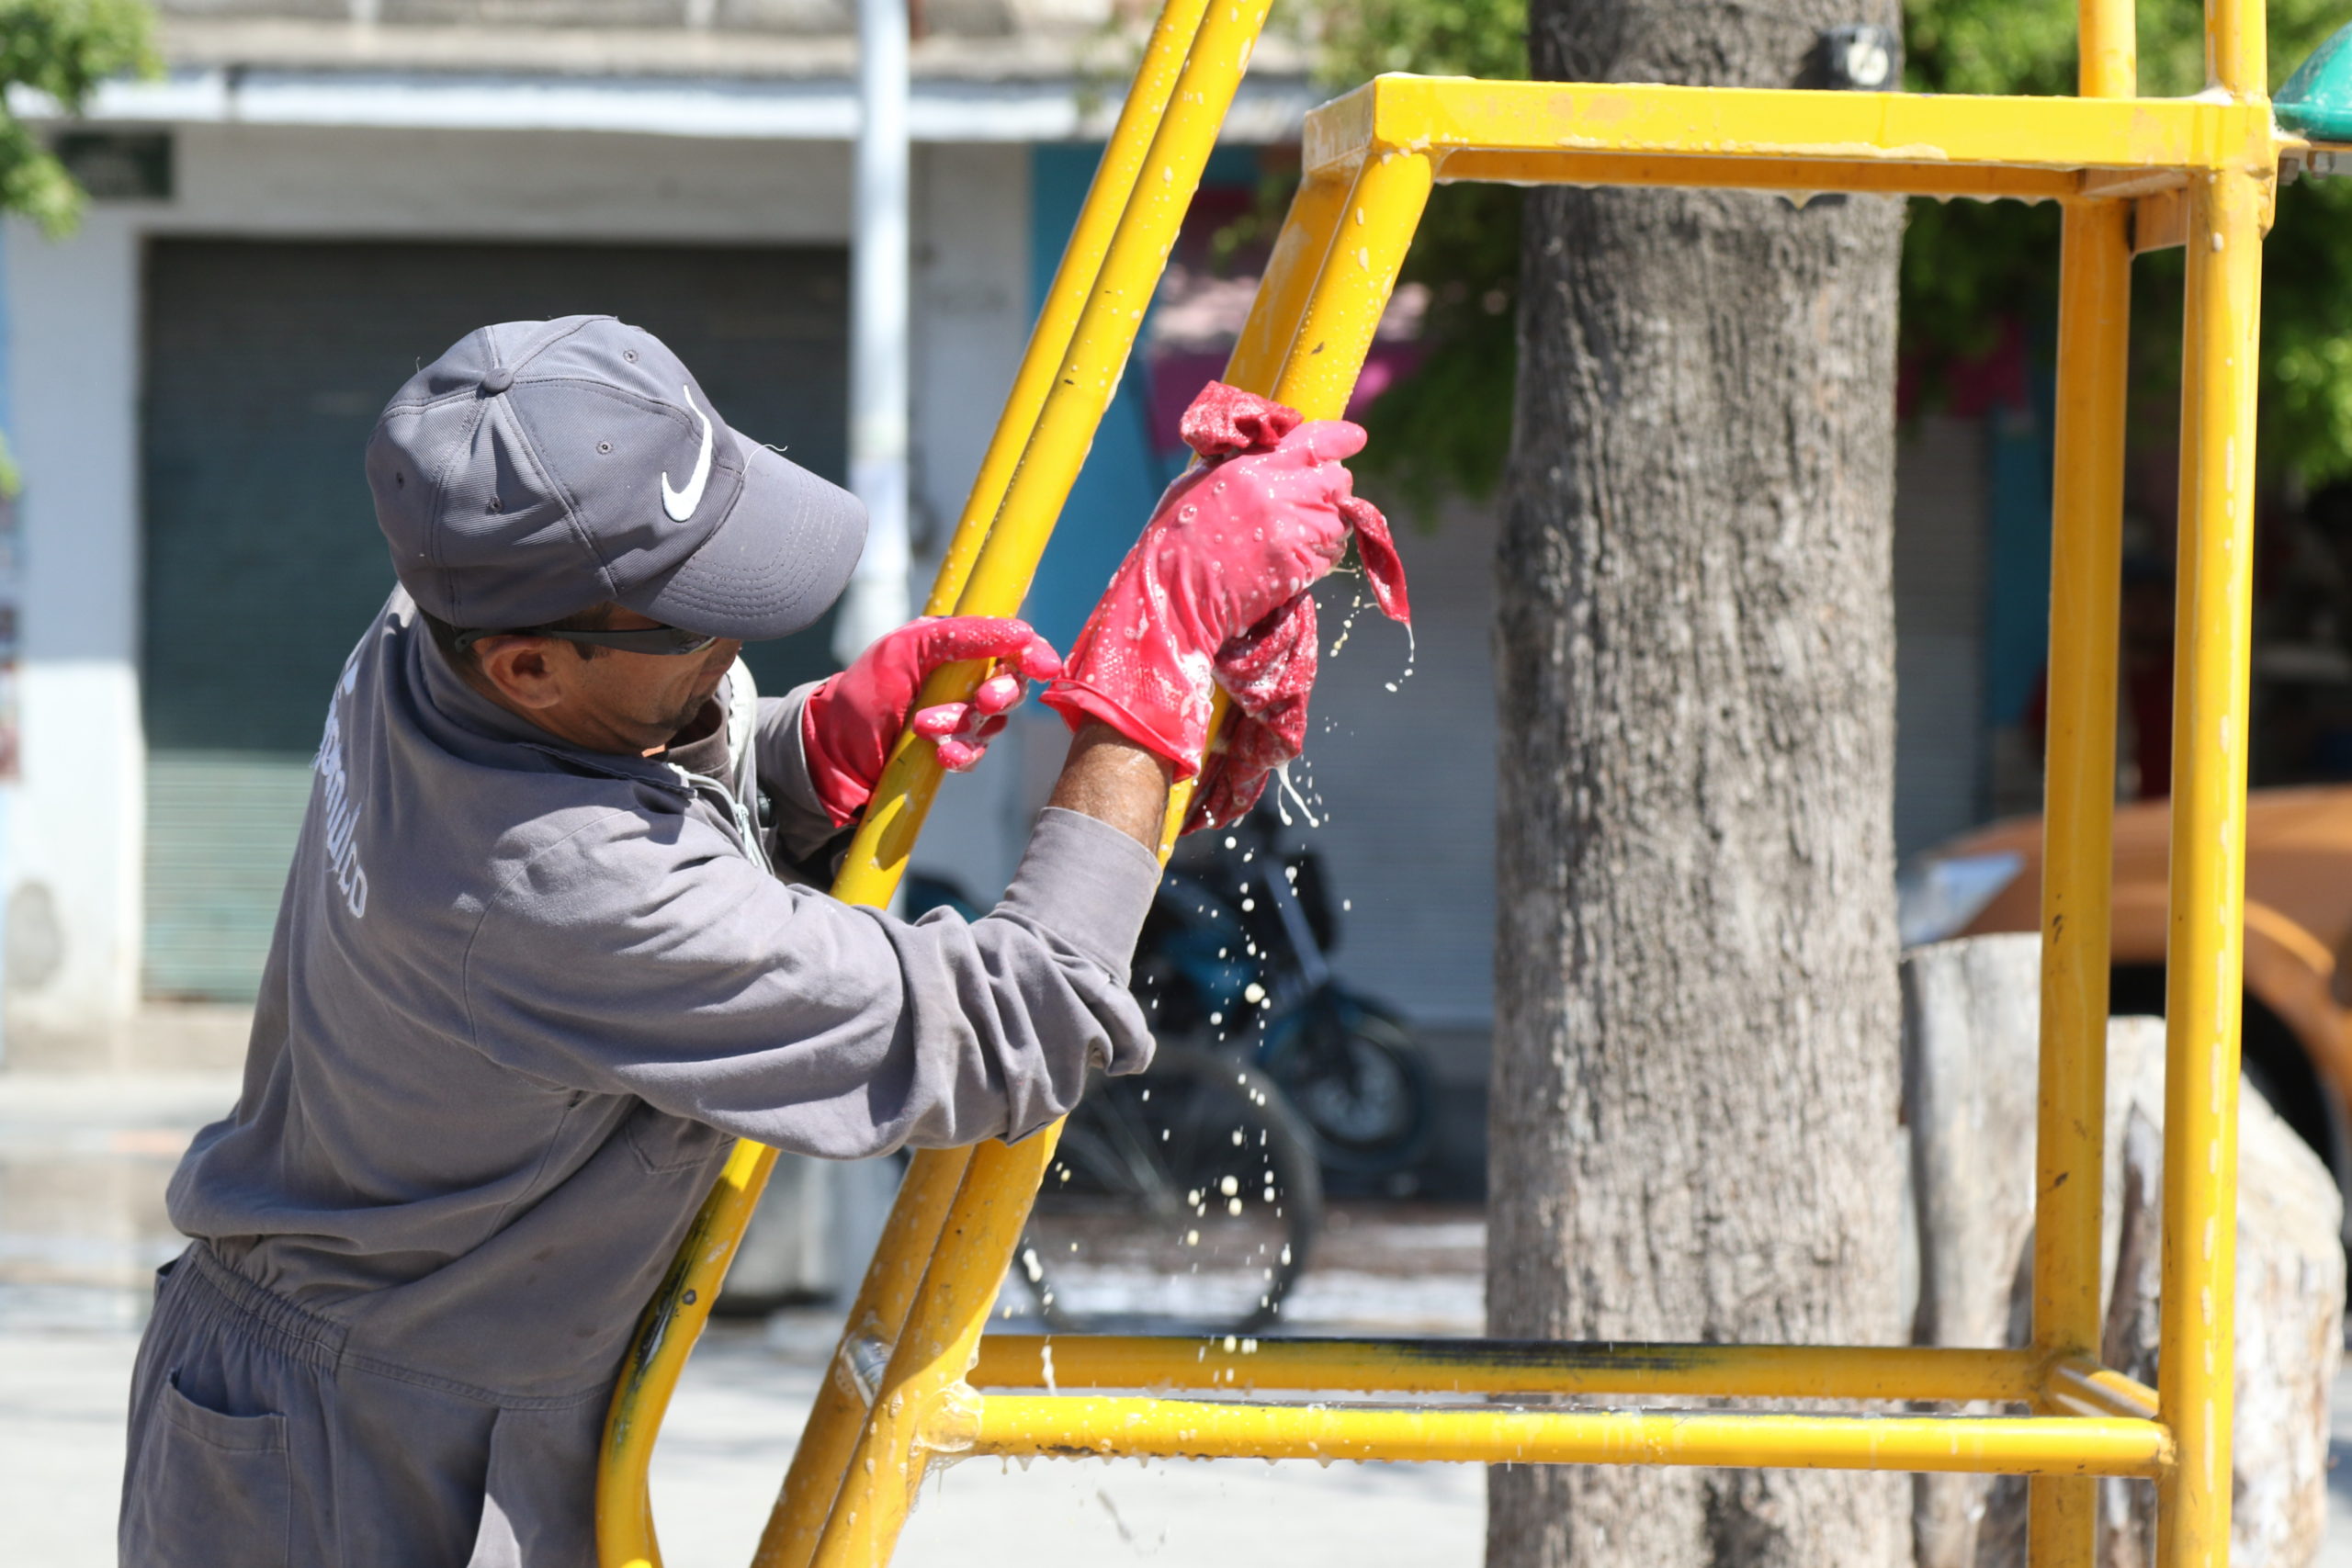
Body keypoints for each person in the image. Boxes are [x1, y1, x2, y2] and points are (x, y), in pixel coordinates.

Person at [117, 315, 1391, 1566]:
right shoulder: (547, 885)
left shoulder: (433, 610)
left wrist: (797, 751)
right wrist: (1151, 663)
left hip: (355, 1376)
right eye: (697, 620)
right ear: (528, 670)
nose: (741, 638)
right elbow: (1029, 1020)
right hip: (356, 1467)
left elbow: (627, 773)